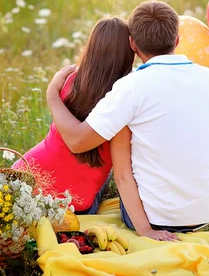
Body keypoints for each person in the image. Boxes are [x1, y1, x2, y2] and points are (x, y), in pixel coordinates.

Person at [47, 1, 209, 241]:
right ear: (177, 40)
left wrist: (52, 96)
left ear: (132, 44)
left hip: (152, 219)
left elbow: (77, 142)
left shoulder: (129, 88)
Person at [13, 17, 135, 214]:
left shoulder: (69, 81)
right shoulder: (121, 104)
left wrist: (52, 91)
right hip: (72, 204)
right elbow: (124, 173)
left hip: (26, 175)